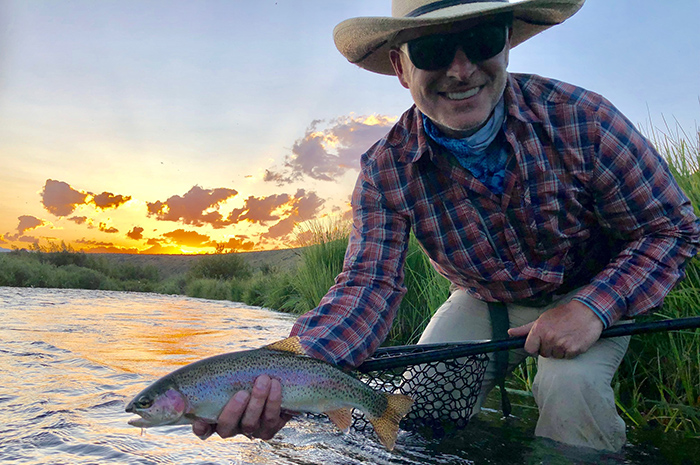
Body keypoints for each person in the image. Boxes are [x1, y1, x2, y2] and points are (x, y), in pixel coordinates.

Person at [193, 0, 700, 452]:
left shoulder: (581, 119)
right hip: (481, 299)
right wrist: (283, 375)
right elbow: (369, 286)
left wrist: (593, 307)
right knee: (412, 411)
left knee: (570, 390)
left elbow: (671, 230)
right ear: (400, 66)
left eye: (480, 41)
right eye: (434, 49)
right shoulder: (386, 169)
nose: (461, 70)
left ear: (505, 46)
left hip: (593, 291)